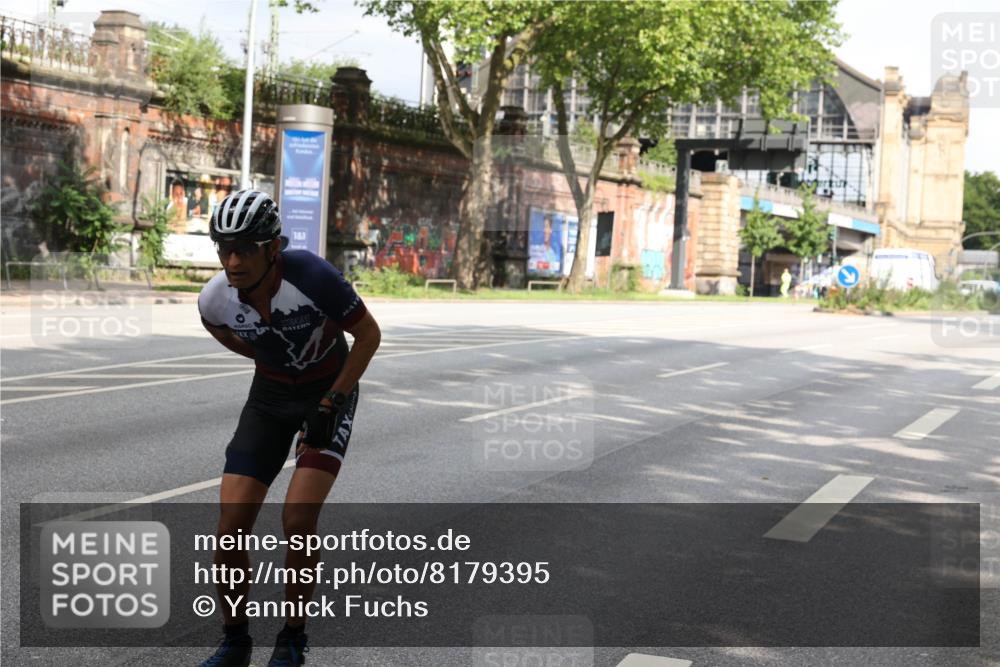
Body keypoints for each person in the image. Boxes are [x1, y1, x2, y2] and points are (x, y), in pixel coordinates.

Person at [196, 190, 381, 667]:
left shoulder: (312, 275)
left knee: (297, 522)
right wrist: (266, 357)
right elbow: (217, 327)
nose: (232, 261)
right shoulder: (215, 297)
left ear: (272, 248)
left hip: (328, 393)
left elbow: (368, 335)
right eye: (224, 249)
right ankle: (235, 641)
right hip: (270, 398)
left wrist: (332, 400)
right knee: (229, 531)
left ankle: (292, 638)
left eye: (245, 249)